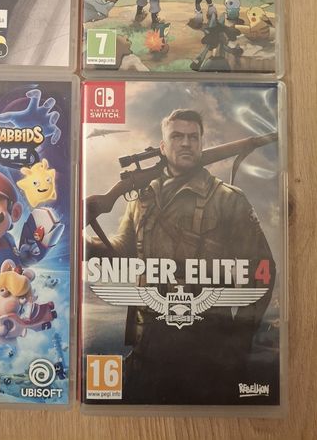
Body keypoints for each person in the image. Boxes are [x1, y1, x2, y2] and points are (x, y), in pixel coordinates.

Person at [85, 109, 276, 404]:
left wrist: (238, 339)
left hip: (207, 351)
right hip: (147, 344)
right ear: (162, 147)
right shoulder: (142, 198)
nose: (186, 143)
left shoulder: (228, 199)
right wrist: (82, 240)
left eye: (193, 137)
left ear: (201, 144)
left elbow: (263, 270)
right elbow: (121, 250)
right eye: (177, 136)